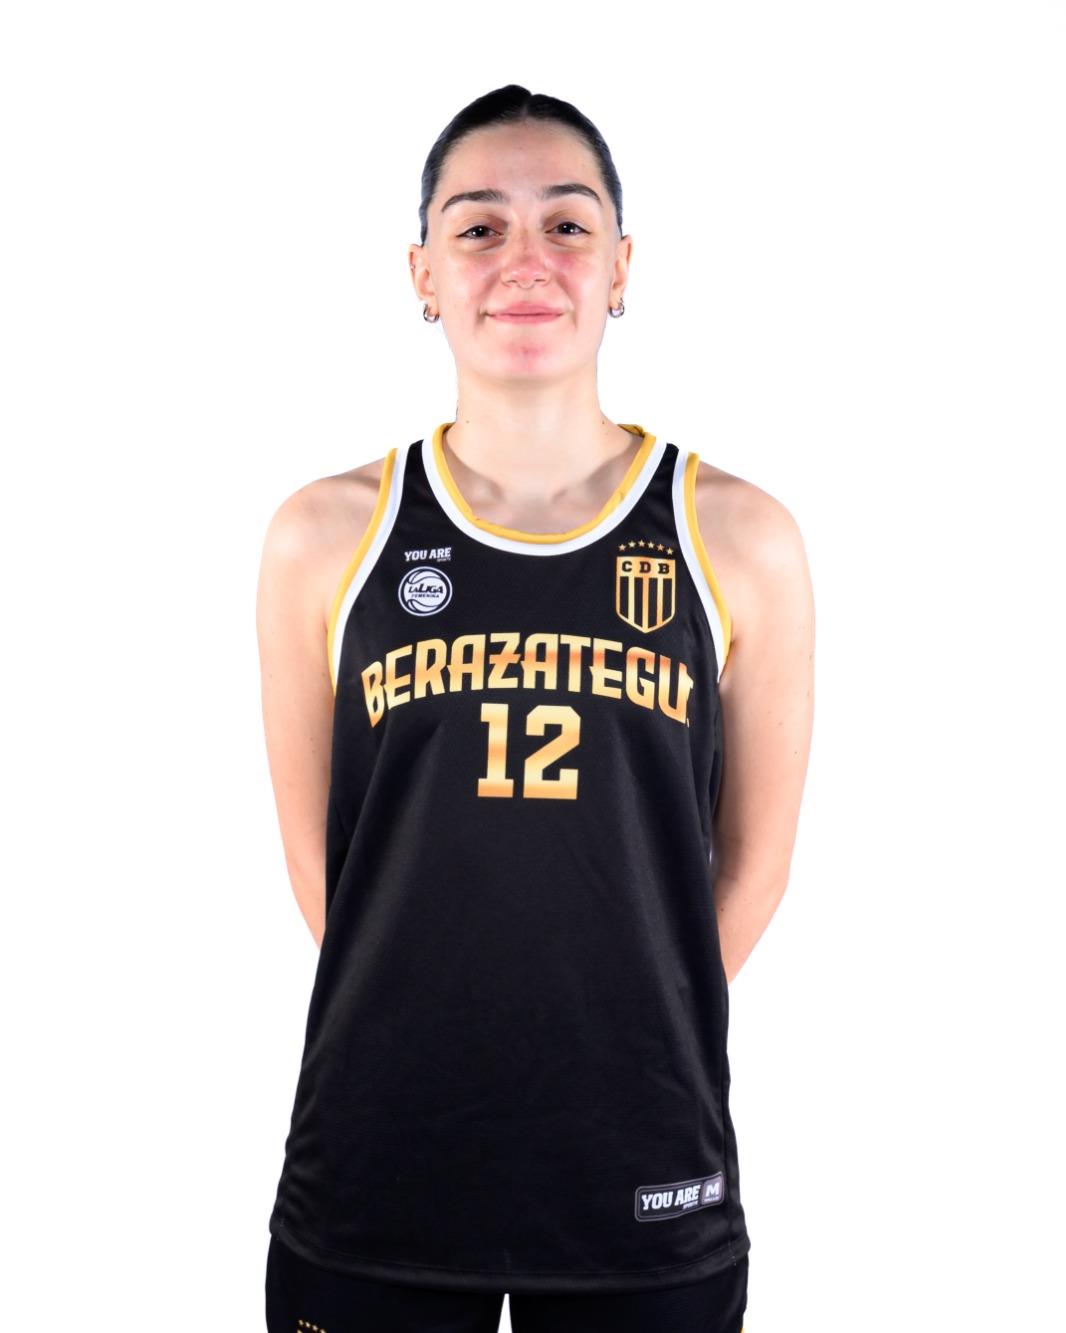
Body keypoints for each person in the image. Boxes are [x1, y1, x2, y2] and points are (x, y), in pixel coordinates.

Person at [256, 83, 814, 1333]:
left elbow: (755, 866)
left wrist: (617, 1028)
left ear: (621, 268)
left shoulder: (738, 535)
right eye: (478, 227)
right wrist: (442, 1030)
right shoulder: (325, 534)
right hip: (381, 1155)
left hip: (642, 1157)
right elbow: (321, 864)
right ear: (422, 273)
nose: (525, 260)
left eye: (567, 225)